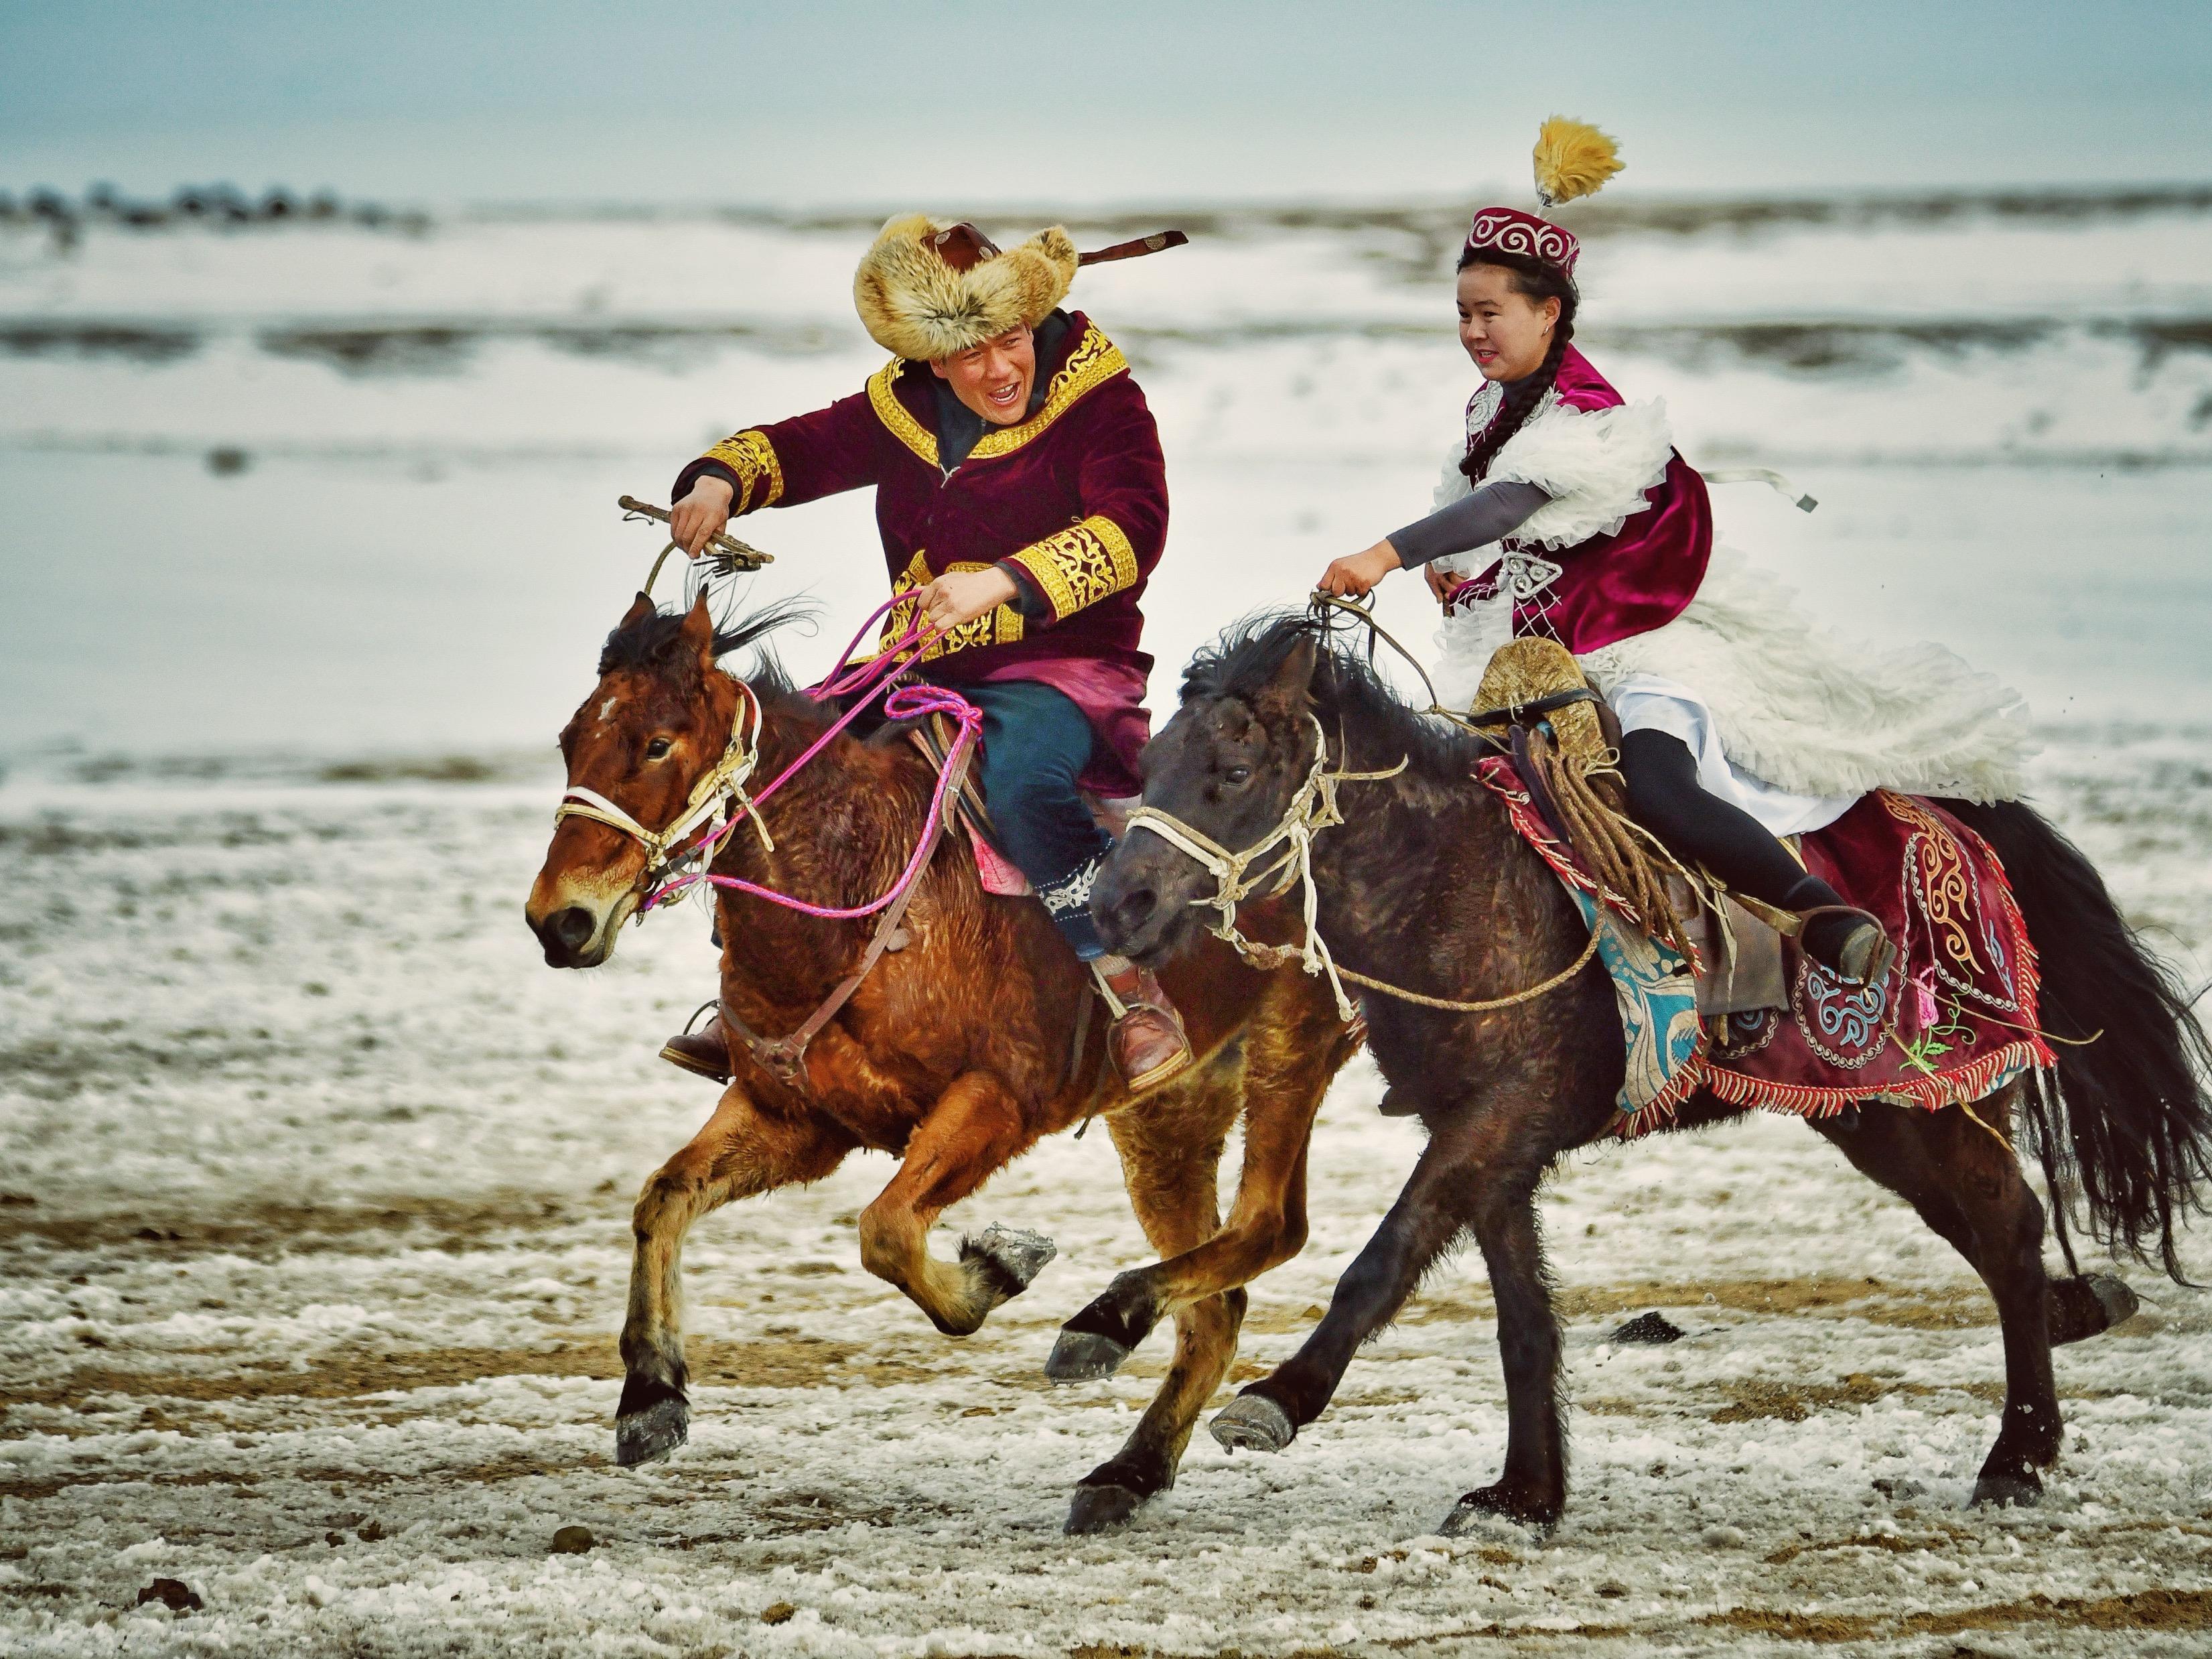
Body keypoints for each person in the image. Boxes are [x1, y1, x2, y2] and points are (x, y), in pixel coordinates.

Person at [1318, 119, 2031, 982]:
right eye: (1461, 314)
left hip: (1643, 638)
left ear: (1548, 313)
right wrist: (1453, 567)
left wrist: (1386, 554)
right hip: (1541, 654)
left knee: (1654, 785)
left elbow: (1513, 500)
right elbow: (1479, 516)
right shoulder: (1489, 411)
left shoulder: (1591, 413)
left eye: (1490, 313)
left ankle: (1819, 918)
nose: (1472, 331)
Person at [659, 215, 1192, 1089]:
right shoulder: (899, 407)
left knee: (1025, 790)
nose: (999, 370)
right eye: (972, 354)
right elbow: (797, 450)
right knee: (781, 768)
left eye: (1012, 342)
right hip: (919, 667)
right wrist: (718, 479)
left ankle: (1134, 992)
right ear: (931, 356)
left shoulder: (1102, 401)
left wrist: (1002, 581)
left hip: (1060, 669)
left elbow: (1134, 529)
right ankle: (753, 997)